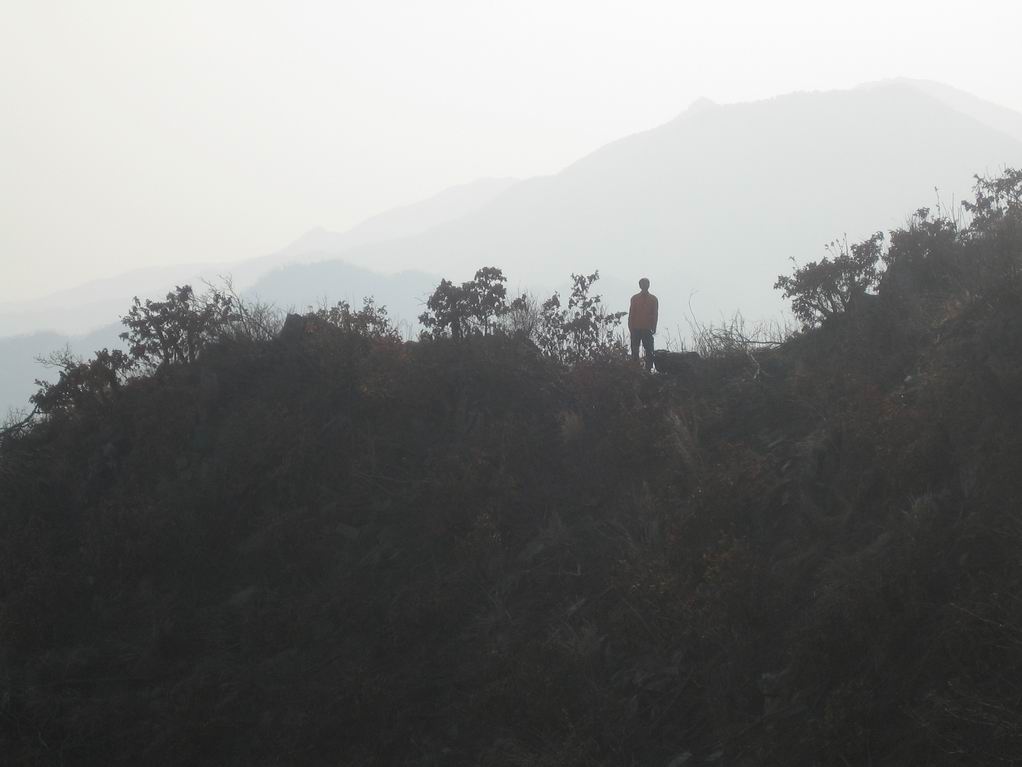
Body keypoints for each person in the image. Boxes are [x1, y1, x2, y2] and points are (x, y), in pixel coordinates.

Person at [628, 278, 658, 371]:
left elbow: (655, 314)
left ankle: (648, 370)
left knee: (649, 351)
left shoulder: (653, 299)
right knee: (635, 351)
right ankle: (635, 369)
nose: (644, 286)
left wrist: (654, 327)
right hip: (635, 328)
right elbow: (631, 313)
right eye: (643, 284)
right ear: (640, 285)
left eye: (646, 284)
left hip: (647, 328)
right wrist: (630, 327)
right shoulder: (635, 298)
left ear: (649, 285)